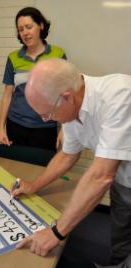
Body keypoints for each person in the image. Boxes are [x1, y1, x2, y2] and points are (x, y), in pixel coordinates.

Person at [10, 58, 131, 267]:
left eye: (47, 114)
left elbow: (101, 176)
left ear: (67, 98)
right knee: (121, 243)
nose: (48, 120)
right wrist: (33, 186)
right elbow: (67, 156)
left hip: (115, 177)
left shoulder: (120, 95)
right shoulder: (70, 109)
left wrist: (56, 232)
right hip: (123, 183)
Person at [0, 7, 67, 151]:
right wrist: (1, 128)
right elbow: (7, 94)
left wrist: (64, 129)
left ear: (41, 26)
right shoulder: (13, 58)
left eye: (29, 27)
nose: (25, 33)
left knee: (43, 170)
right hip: (15, 125)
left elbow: (66, 95)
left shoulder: (58, 54)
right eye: (21, 29)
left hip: (45, 128)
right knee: (15, 168)